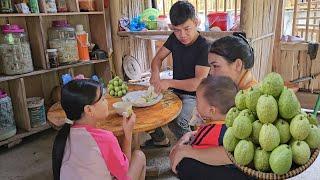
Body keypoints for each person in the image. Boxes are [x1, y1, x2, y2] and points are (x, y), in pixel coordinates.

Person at [144, 0, 210, 148]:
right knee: (147, 110)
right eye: (177, 30)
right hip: (176, 92)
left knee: (177, 121)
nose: (182, 35)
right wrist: (155, 74)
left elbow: (198, 82)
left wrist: (168, 82)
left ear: (196, 22)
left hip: (196, 96)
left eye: (187, 29)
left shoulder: (204, 46)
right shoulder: (174, 38)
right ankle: (160, 139)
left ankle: (193, 150)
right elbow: (157, 59)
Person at [52, 79, 146, 180]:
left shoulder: (65, 133)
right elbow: (123, 172)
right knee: (139, 156)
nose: (106, 101)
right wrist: (128, 134)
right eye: (102, 99)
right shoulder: (105, 138)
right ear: (88, 109)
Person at [169, 76, 249, 179]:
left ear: (211, 110)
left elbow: (193, 147)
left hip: (229, 171)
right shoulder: (232, 122)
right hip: (235, 169)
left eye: (197, 101)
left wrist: (180, 146)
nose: (195, 105)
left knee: (184, 164)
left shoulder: (213, 131)